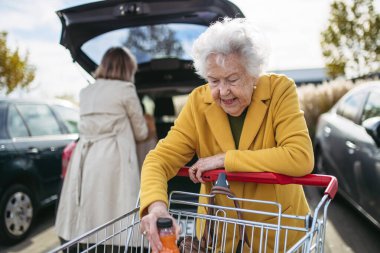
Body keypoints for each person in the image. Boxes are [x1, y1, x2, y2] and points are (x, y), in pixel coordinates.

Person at [139, 18, 314, 253]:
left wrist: (225, 159)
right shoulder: (198, 103)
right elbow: (157, 160)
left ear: (253, 74)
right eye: (214, 81)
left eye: (232, 79)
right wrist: (157, 208)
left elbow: (299, 156)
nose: (223, 91)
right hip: (218, 237)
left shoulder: (280, 91)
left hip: (277, 236)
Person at [55, 47, 155, 250]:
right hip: (113, 157)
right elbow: (141, 133)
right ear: (128, 69)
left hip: (85, 157)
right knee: (116, 207)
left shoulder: (86, 92)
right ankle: (121, 245)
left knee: (89, 208)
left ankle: (86, 244)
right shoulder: (125, 90)